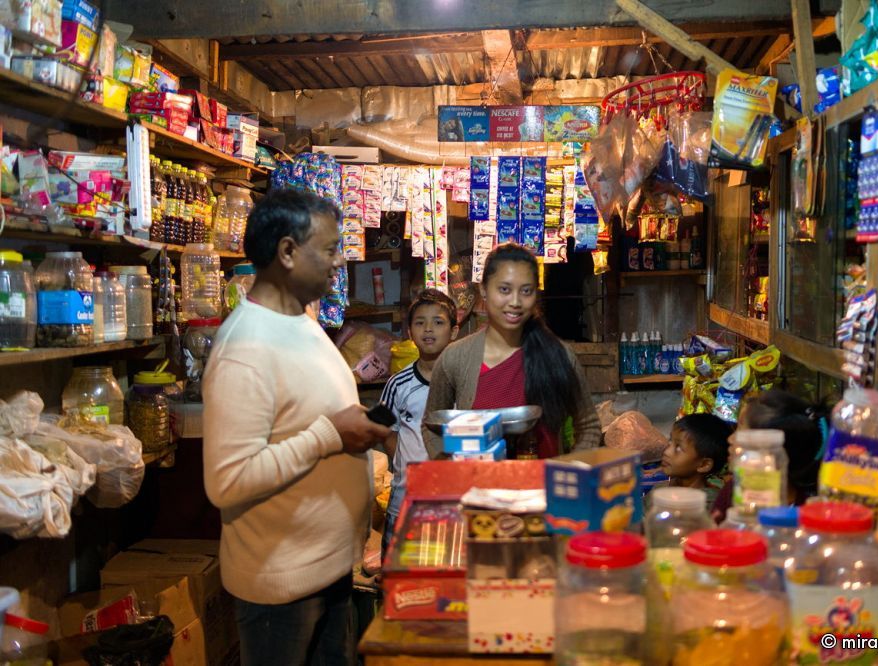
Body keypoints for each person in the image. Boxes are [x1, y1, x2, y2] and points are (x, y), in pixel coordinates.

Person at [202, 189, 392, 666]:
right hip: (280, 589)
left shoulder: (300, 320)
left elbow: (304, 420)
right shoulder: (246, 346)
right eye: (329, 249)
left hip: (325, 572)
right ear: (287, 252)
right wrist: (330, 436)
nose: (338, 262)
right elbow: (227, 482)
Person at [422, 243, 601, 458]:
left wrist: (571, 467)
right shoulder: (455, 357)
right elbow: (429, 425)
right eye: (504, 290)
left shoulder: (558, 355)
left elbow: (589, 424)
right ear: (483, 290)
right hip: (478, 490)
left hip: (543, 488)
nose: (515, 302)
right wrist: (450, 465)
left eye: (526, 291)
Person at [380, 289, 459, 552]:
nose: (428, 329)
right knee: (397, 579)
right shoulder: (397, 384)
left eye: (438, 322)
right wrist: (406, 466)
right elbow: (386, 431)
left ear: (454, 332)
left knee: (447, 578)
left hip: (454, 500)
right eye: (420, 322)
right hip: (405, 499)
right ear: (410, 332)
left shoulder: (466, 383)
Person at [711, 389, 827, 522]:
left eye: (741, 433)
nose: (730, 439)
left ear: (775, 453)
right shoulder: (734, 490)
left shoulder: (807, 515)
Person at [659, 413, 732, 511]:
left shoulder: (708, 506)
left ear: (704, 465)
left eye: (679, 448)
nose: (667, 452)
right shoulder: (660, 489)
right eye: (670, 441)